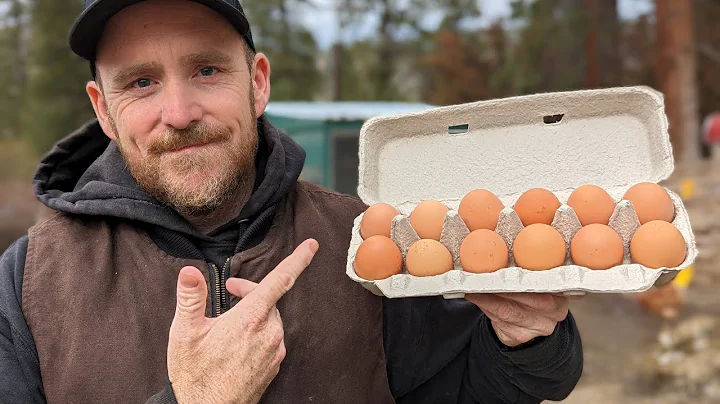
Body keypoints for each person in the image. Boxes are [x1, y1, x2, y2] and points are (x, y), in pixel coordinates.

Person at [0, 0, 583, 403]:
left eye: (207, 70)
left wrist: (527, 341)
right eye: (141, 83)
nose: (178, 113)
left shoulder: (364, 240)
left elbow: (466, 389)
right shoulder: (29, 282)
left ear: (257, 82)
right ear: (103, 109)